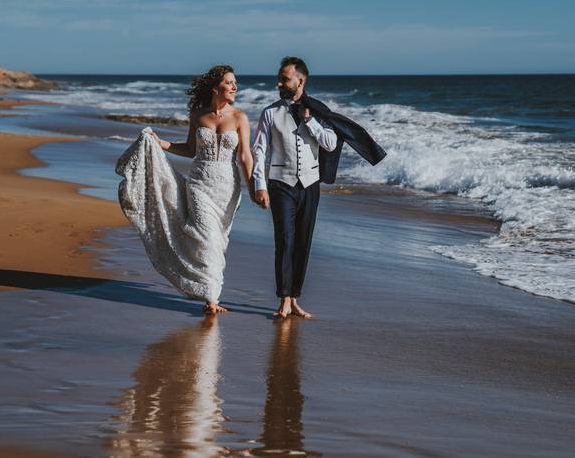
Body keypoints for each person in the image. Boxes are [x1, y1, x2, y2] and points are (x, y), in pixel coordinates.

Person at [251, 57, 387, 319]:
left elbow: (330, 144)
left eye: (285, 79)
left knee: (303, 242)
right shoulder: (270, 113)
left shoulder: (319, 111)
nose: (279, 83)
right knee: (285, 241)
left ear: (300, 81)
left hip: (310, 185)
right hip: (280, 184)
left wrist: (310, 121)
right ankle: (283, 299)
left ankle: (295, 298)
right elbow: (259, 151)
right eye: (279, 78)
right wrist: (260, 185)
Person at [115, 65, 254, 314]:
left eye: (235, 83)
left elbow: (245, 155)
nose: (235, 87)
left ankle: (207, 288)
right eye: (230, 82)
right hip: (200, 183)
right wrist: (161, 144)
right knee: (207, 237)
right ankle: (212, 297)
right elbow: (191, 150)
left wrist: (254, 186)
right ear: (215, 88)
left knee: (219, 239)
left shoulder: (240, 117)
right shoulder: (198, 115)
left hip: (227, 187)